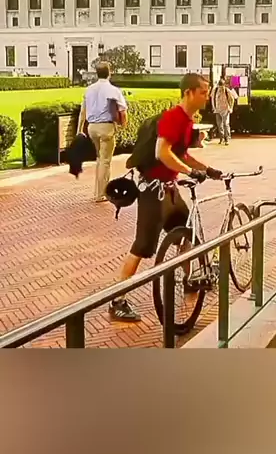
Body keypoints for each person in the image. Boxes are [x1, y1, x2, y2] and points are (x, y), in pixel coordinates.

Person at [109, 73, 224, 322]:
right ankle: (117, 300)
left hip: (170, 190)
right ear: (188, 93)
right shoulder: (174, 118)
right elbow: (162, 153)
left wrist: (207, 170)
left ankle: (188, 278)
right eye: (203, 92)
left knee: (187, 233)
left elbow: (181, 155)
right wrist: (190, 172)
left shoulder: (187, 121)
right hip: (153, 192)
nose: (207, 97)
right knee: (142, 247)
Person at [76, 62, 127, 202]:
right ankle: (101, 194)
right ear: (109, 73)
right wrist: (123, 125)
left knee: (100, 159)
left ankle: (98, 191)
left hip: (92, 127)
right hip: (106, 127)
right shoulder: (113, 90)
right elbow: (122, 110)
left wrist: (79, 129)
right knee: (105, 160)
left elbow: (83, 112)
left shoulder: (89, 90)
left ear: (96, 73)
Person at [211, 77, 236, 145]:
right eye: (220, 86)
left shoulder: (227, 91)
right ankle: (221, 138)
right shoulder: (215, 90)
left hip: (225, 109)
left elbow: (232, 99)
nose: (221, 88)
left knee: (225, 124)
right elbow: (212, 99)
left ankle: (226, 138)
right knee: (219, 125)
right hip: (217, 110)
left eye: (222, 87)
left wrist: (231, 108)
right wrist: (213, 107)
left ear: (224, 85)